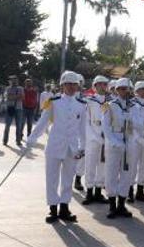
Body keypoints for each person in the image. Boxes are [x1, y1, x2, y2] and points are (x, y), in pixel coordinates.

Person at [26, 71, 88, 223]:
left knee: (68, 179)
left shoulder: (82, 105)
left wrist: (83, 146)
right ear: (62, 85)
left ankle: (65, 208)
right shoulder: (54, 101)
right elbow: (43, 121)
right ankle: (53, 209)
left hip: (72, 148)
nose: (72, 87)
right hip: (54, 145)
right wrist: (32, 138)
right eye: (68, 84)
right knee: (52, 178)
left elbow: (82, 128)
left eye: (74, 84)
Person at [102, 78, 136, 219]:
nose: (124, 91)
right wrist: (115, 142)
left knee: (126, 173)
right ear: (116, 90)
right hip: (114, 142)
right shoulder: (109, 105)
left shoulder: (133, 106)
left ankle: (122, 204)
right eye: (121, 89)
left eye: (126, 89)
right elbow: (106, 126)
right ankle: (112, 205)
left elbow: (139, 125)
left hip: (129, 142)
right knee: (111, 173)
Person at [81, 75, 110, 205]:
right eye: (100, 84)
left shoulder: (110, 102)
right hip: (92, 136)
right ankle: (89, 192)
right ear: (95, 86)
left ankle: (98, 192)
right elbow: (85, 121)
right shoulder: (89, 101)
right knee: (90, 165)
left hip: (106, 138)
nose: (103, 87)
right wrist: (93, 136)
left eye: (105, 84)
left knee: (103, 165)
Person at [128, 80, 144, 203]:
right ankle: (129, 190)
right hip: (135, 139)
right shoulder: (131, 104)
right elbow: (130, 124)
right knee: (132, 165)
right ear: (136, 91)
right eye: (141, 89)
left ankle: (140, 190)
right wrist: (138, 138)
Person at [2, 75, 24, 146]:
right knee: (7, 125)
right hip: (10, 107)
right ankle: (5, 141)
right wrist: (17, 96)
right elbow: (7, 97)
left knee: (19, 126)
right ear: (10, 81)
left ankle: (18, 141)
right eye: (12, 80)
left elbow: (22, 97)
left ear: (17, 80)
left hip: (19, 108)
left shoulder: (20, 88)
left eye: (15, 79)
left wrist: (12, 96)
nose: (13, 81)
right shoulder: (7, 88)